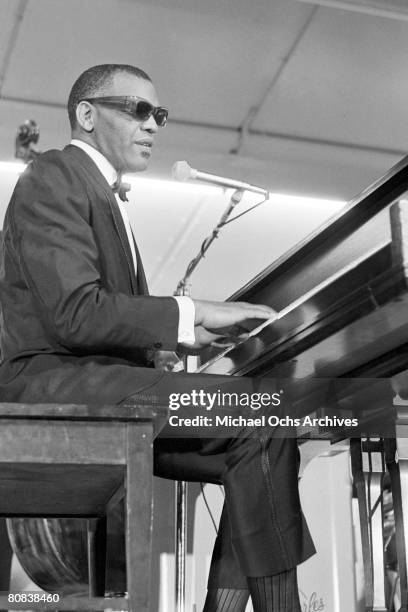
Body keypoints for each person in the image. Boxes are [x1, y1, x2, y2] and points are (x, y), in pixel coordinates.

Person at [0, 64, 314, 611]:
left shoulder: (103, 194)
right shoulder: (54, 174)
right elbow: (75, 313)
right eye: (138, 110)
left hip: (94, 379)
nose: (153, 126)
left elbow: (99, 320)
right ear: (87, 114)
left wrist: (172, 349)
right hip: (51, 386)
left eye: (158, 114)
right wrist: (193, 312)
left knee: (263, 434)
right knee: (261, 418)